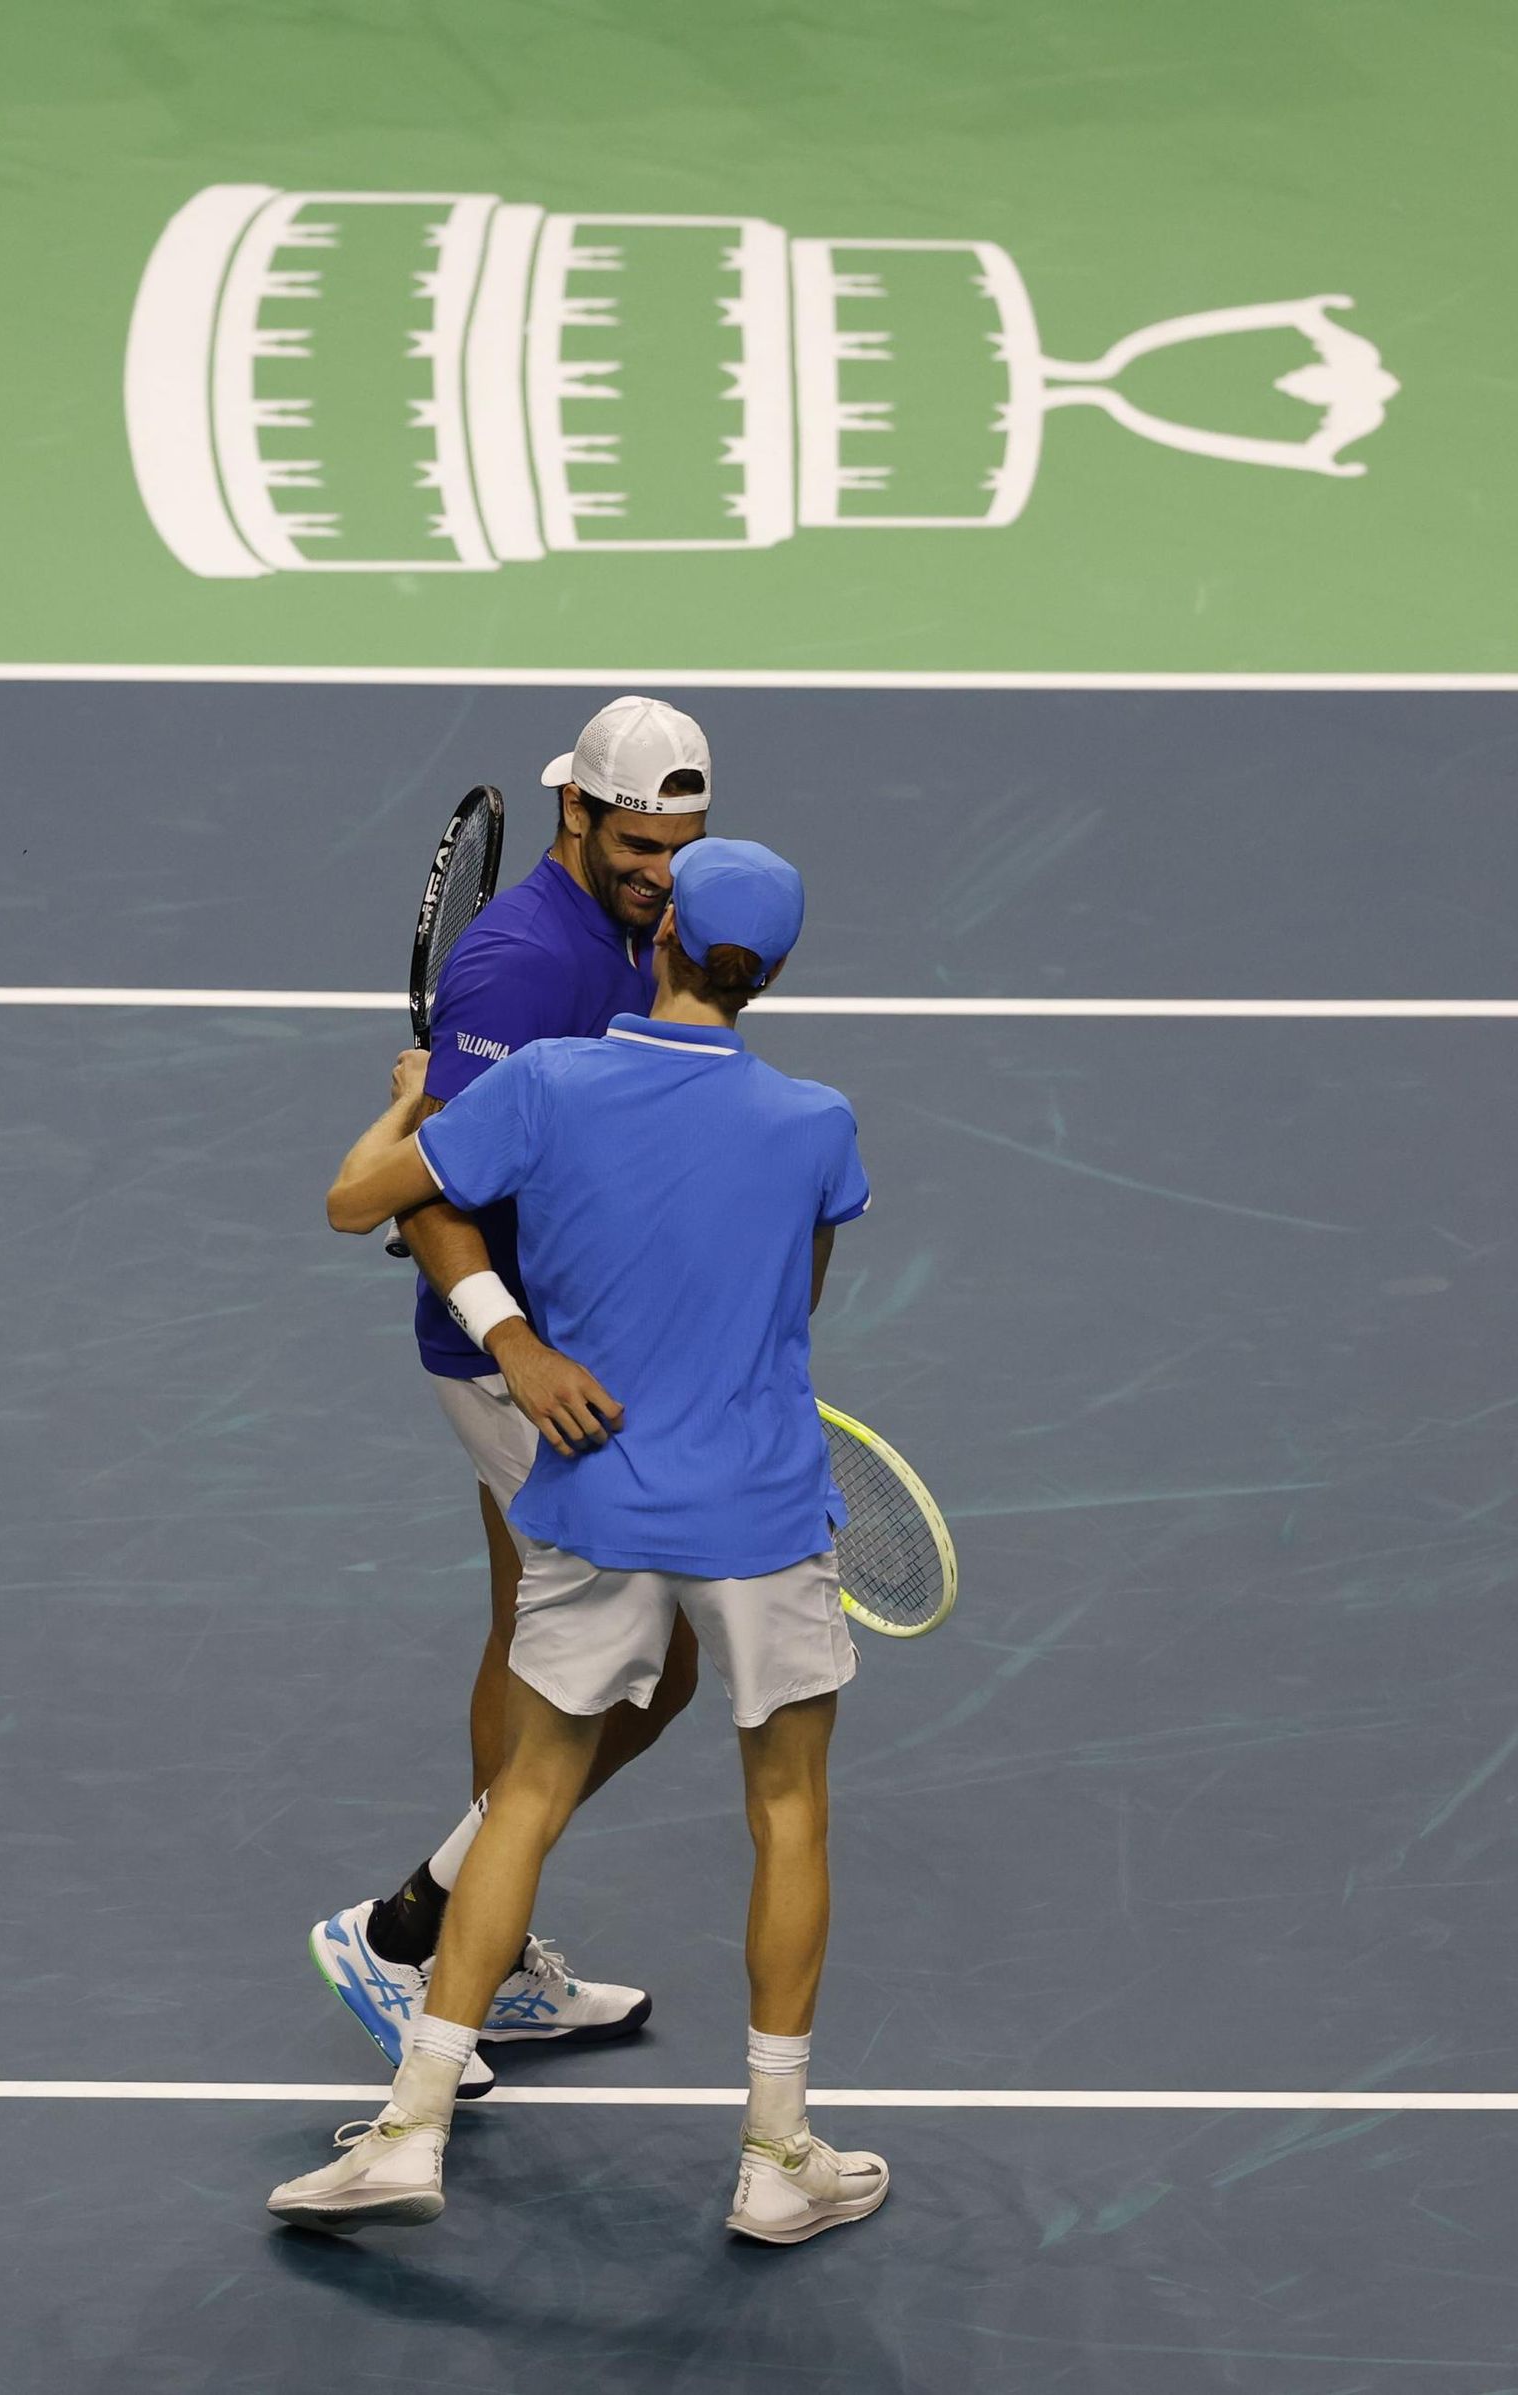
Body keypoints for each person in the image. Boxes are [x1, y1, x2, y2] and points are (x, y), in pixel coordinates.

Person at [270, 838, 889, 2245]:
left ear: (658, 932)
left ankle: (412, 2127)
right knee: (787, 1812)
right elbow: (795, 1308)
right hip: (760, 1512)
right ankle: (776, 2154)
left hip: (597, 1498)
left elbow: (359, 1201)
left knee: (528, 1799)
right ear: (772, 974)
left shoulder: (544, 1086)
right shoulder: (817, 1125)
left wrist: (416, 1105)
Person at [312, 698, 713, 2088]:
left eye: (682, 843)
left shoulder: (629, 928)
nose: (664, 869)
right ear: (576, 819)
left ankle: (482, 1943)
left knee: (536, 1641)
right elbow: (420, 1200)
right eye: (640, 843)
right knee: (644, 1671)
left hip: (583, 1346)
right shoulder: (517, 968)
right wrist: (518, 1346)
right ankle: (411, 1932)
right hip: (517, 1371)